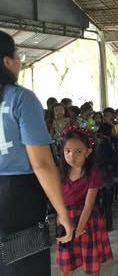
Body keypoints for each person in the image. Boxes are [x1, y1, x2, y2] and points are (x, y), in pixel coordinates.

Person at [0, 30, 73, 276]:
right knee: (25, 266)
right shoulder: (21, 98)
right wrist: (62, 213)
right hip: (17, 198)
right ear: (7, 61)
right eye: (17, 55)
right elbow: (41, 163)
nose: (19, 61)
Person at [56, 126, 113, 276]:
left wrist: (80, 228)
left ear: (88, 152)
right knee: (66, 265)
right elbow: (57, 201)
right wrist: (61, 220)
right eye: (67, 151)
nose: (71, 156)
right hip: (66, 219)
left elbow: (89, 204)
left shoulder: (92, 173)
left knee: (91, 265)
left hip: (87, 222)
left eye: (78, 151)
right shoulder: (59, 172)